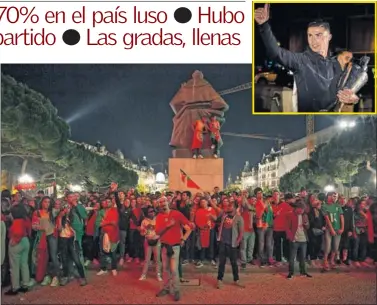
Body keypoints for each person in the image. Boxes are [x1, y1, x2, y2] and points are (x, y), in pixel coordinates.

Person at [254, 4, 359, 112]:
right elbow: (275, 52)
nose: (313, 41)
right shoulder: (301, 61)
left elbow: (345, 94)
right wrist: (264, 25)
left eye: (318, 35)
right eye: (310, 35)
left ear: (329, 37)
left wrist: (353, 99)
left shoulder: (336, 64)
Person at [155, 197, 193, 301]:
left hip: (175, 247)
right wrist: (167, 226)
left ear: (168, 202)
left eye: (164, 201)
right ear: (159, 205)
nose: (163, 203)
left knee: (173, 270)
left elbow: (189, 228)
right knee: (165, 269)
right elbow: (158, 233)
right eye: (160, 202)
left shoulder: (176, 214)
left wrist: (184, 239)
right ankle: (166, 288)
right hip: (164, 246)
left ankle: (176, 290)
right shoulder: (158, 216)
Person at [213, 198, 244, 289]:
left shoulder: (239, 218)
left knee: (234, 262)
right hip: (223, 242)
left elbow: (241, 232)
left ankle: (236, 280)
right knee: (221, 262)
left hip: (232, 244)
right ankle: (219, 280)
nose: (228, 207)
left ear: (234, 208)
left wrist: (237, 242)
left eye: (230, 206)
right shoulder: (224, 215)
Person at [286, 199, 312, 279]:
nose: (302, 211)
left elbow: (307, 227)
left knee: (303, 257)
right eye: (300, 209)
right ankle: (291, 273)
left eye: (303, 209)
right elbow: (287, 228)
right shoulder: (291, 215)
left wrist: (306, 223)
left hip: (303, 240)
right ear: (296, 208)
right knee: (292, 258)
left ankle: (303, 272)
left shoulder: (305, 215)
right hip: (294, 240)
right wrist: (291, 238)